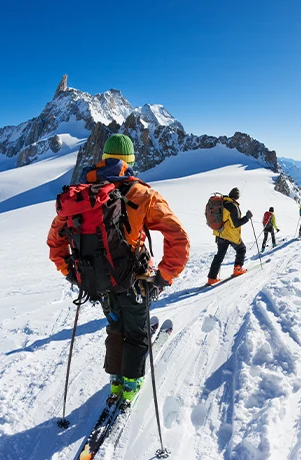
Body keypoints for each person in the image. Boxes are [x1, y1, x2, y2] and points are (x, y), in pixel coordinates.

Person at [47, 134, 189, 402]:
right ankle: (131, 385)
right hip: (135, 281)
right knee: (136, 331)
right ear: (130, 161)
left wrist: (74, 275)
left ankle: (115, 381)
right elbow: (178, 238)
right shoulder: (141, 194)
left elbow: (55, 242)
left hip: (99, 282)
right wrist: (162, 278)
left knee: (115, 327)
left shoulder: (81, 197)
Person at [207, 187, 253, 285]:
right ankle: (238, 269)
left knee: (219, 255)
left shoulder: (222, 203)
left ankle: (211, 279)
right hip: (230, 235)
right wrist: (247, 217)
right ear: (237, 197)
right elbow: (236, 223)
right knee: (241, 249)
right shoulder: (233, 206)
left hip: (220, 233)